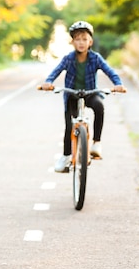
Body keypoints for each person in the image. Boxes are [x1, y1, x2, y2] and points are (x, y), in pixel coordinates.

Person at [39, 21, 126, 173]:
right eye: (77, 39)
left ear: (90, 41)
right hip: (72, 94)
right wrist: (48, 82)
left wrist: (118, 84)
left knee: (99, 106)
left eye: (84, 39)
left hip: (90, 93)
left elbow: (110, 72)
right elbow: (55, 71)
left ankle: (96, 143)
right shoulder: (68, 59)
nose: (81, 43)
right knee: (69, 125)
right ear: (72, 42)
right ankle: (66, 156)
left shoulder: (96, 58)